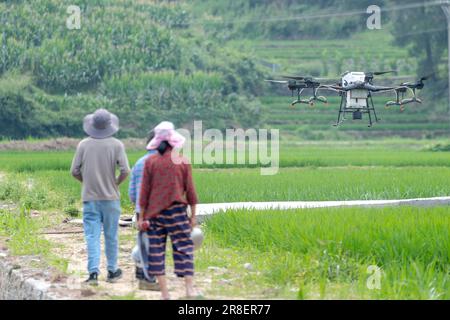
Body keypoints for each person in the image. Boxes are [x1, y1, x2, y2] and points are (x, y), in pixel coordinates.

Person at [138, 121, 199, 300]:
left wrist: (141, 217)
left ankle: (165, 294)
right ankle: (189, 290)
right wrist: (193, 216)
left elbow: (144, 193)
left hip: (154, 215)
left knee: (156, 252)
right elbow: (191, 191)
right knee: (184, 248)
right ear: (173, 141)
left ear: (157, 142)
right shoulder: (182, 161)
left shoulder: (150, 162)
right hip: (177, 212)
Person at [70, 108, 130, 286]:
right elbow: (126, 170)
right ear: (109, 125)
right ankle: (112, 271)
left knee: (92, 236)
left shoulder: (83, 145)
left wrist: (86, 182)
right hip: (111, 198)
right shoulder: (117, 145)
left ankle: (93, 273)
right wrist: (115, 183)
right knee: (111, 235)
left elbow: (74, 171)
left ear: (92, 125)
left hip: (90, 199)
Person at [128, 130, 159, 290]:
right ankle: (148, 279)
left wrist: (137, 208)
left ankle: (142, 273)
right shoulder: (164, 162)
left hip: (142, 211)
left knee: (144, 240)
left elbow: (132, 193)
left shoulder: (139, 162)